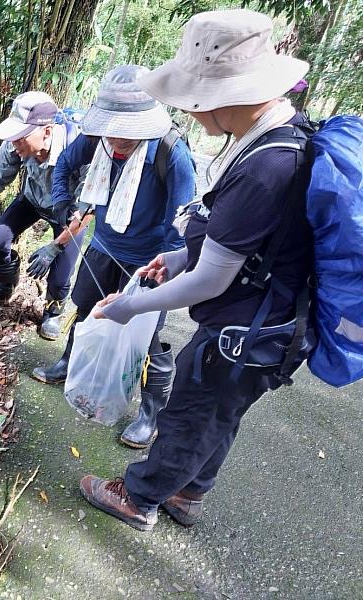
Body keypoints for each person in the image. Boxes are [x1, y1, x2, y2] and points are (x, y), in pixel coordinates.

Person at [79, 9, 312, 531]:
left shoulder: (265, 165)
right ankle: (189, 493)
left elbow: (213, 280)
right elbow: (249, 246)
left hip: (245, 327)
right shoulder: (277, 137)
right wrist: (183, 255)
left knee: (190, 411)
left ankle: (138, 497)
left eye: (195, 100)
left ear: (222, 95)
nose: (192, 112)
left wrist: (128, 306)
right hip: (267, 324)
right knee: (220, 415)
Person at [31, 65, 196, 449]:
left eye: (127, 131)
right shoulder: (97, 141)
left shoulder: (172, 155)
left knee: (145, 338)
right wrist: (63, 205)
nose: (117, 139)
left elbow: (183, 221)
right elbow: (66, 168)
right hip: (103, 246)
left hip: (149, 263)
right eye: (111, 128)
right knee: (86, 308)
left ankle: (150, 412)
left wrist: (164, 269)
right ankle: (70, 365)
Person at [0, 91, 84, 341]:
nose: (14, 143)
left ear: (47, 132)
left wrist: (53, 247)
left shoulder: (81, 149)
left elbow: (87, 211)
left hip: (70, 214)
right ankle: (5, 284)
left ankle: (53, 310)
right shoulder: (15, 147)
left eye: (21, 137)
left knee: (60, 277)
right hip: (32, 199)